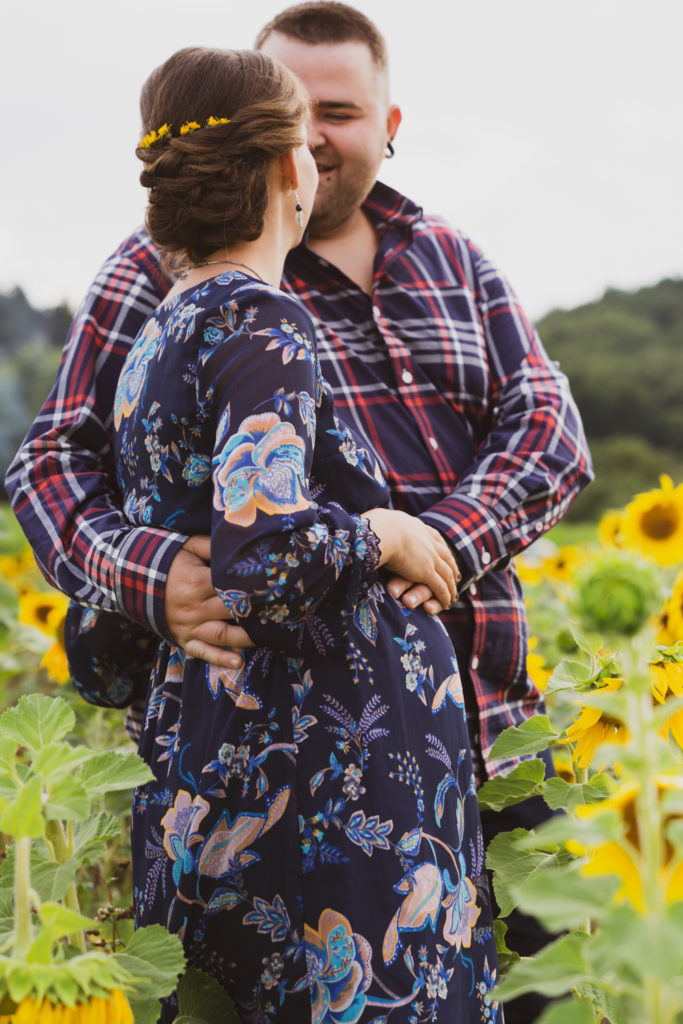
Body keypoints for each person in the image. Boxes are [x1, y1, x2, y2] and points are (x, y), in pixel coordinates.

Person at [5, 3, 592, 1020]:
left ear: (387, 121)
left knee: (535, 985)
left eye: (340, 110)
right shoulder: (177, 276)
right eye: (293, 110)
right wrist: (160, 576)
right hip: (303, 764)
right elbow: (51, 459)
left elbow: (548, 431)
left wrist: (438, 541)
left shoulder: (449, 256)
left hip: (485, 727)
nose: (316, 135)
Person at [100, 43, 499, 1022]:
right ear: (289, 171)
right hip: (327, 820)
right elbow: (264, 556)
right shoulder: (262, 326)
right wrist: (388, 534)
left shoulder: (161, 336)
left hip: (221, 773)